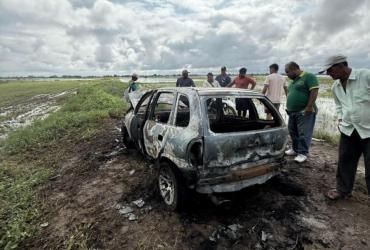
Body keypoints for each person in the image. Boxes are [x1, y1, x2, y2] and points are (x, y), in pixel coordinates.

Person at [319, 54, 370, 200]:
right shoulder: (336, 86)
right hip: (349, 129)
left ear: (341, 66)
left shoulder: (365, 76)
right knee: (345, 161)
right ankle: (343, 190)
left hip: (368, 130)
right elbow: (339, 105)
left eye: (330, 70)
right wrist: (341, 118)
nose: (328, 74)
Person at [284, 62, 319, 163]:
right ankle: (295, 149)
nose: (286, 74)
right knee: (292, 131)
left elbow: (314, 91)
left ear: (294, 69)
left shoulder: (309, 76)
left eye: (287, 72)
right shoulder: (293, 81)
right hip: (292, 112)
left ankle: (303, 153)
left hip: (305, 111)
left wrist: (309, 106)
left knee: (303, 133)